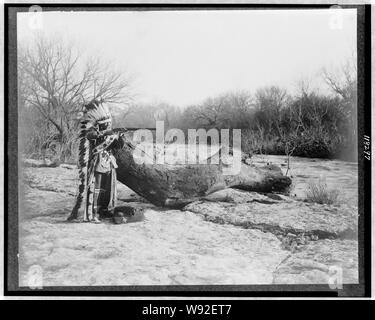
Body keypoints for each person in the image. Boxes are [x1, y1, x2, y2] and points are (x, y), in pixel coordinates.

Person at [68, 100, 123, 223]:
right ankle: (93, 213)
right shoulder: (92, 134)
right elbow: (95, 146)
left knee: (106, 188)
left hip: (108, 163)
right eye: (106, 125)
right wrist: (108, 136)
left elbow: (116, 147)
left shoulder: (107, 134)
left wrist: (119, 139)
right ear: (100, 125)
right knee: (96, 188)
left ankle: (104, 210)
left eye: (109, 124)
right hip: (97, 163)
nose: (108, 126)